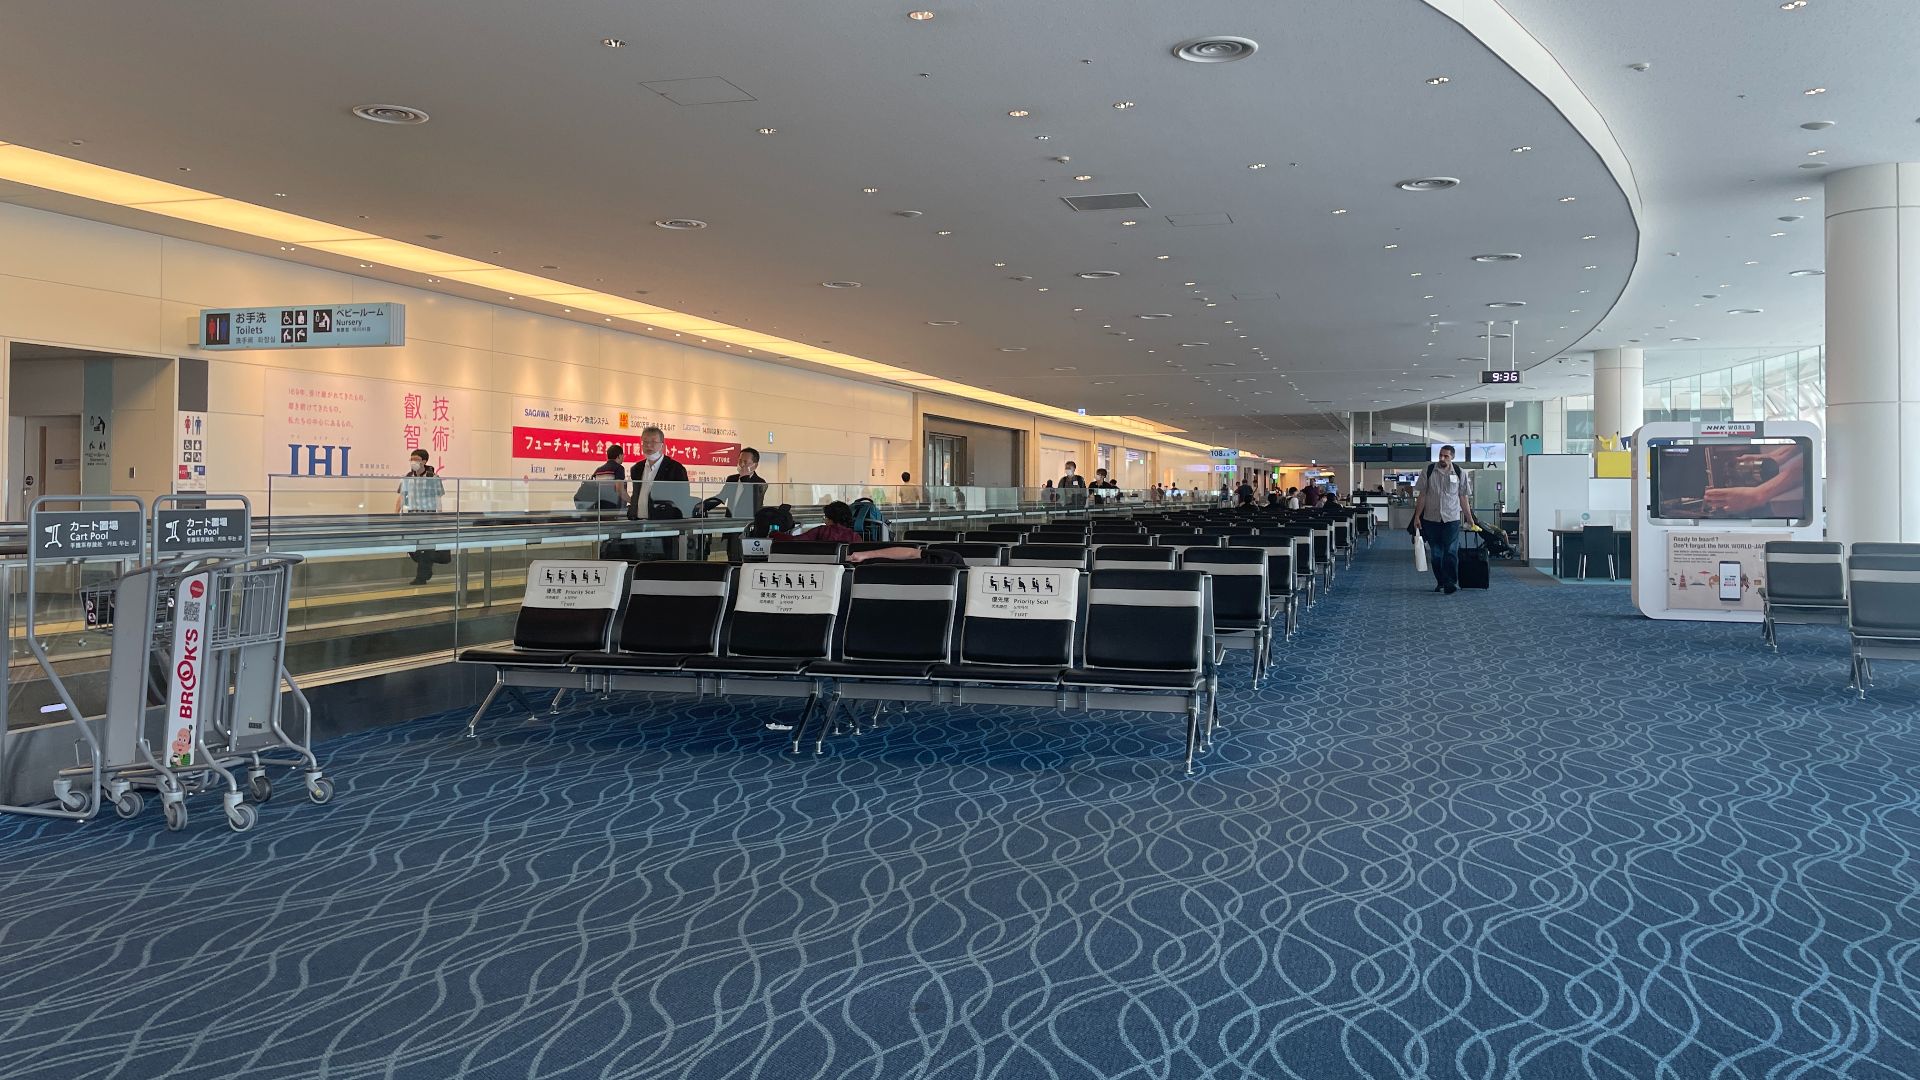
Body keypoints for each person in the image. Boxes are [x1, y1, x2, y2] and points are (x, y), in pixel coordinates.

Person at [1413, 443, 1473, 595]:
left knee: (1451, 551)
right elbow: (1422, 496)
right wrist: (1417, 516)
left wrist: (1469, 518)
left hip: (1451, 519)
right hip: (1431, 519)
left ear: (1452, 457)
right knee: (1436, 554)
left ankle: (1450, 582)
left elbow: (1463, 497)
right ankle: (1440, 581)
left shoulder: (1460, 472)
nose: (1442, 458)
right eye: (1440, 455)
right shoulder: (1428, 471)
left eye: (1446, 456)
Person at [394, 448, 447, 585]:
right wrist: (396, 513)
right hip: (411, 515)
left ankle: (421, 577)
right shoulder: (407, 477)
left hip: (428, 515)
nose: (413, 462)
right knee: (411, 544)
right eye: (411, 459)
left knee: (425, 546)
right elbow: (402, 496)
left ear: (424, 461)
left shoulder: (433, 478)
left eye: (416, 459)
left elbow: (438, 498)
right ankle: (429, 561)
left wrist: (439, 515)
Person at [628, 426, 690, 520]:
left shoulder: (675, 469)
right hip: (638, 522)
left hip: (664, 523)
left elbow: (683, 498)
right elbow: (636, 495)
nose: (649, 445)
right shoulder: (637, 469)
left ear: (662, 445)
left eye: (653, 441)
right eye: (645, 441)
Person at [705, 446, 767, 518]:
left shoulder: (760, 482)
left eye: (745, 462)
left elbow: (753, 502)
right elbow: (721, 496)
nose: (742, 464)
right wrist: (704, 505)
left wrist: (744, 478)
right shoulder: (732, 479)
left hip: (748, 521)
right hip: (730, 520)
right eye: (740, 461)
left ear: (755, 465)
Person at [574, 444, 627, 511]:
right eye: (622, 455)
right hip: (613, 507)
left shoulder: (598, 470)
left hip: (599, 508)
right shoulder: (619, 468)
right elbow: (620, 490)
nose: (623, 457)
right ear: (619, 456)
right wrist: (632, 502)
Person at [784, 500, 864, 543]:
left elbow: (795, 541)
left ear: (831, 518)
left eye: (826, 517)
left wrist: (777, 534)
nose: (825, 521)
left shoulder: (821, 530)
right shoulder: (855, 537)